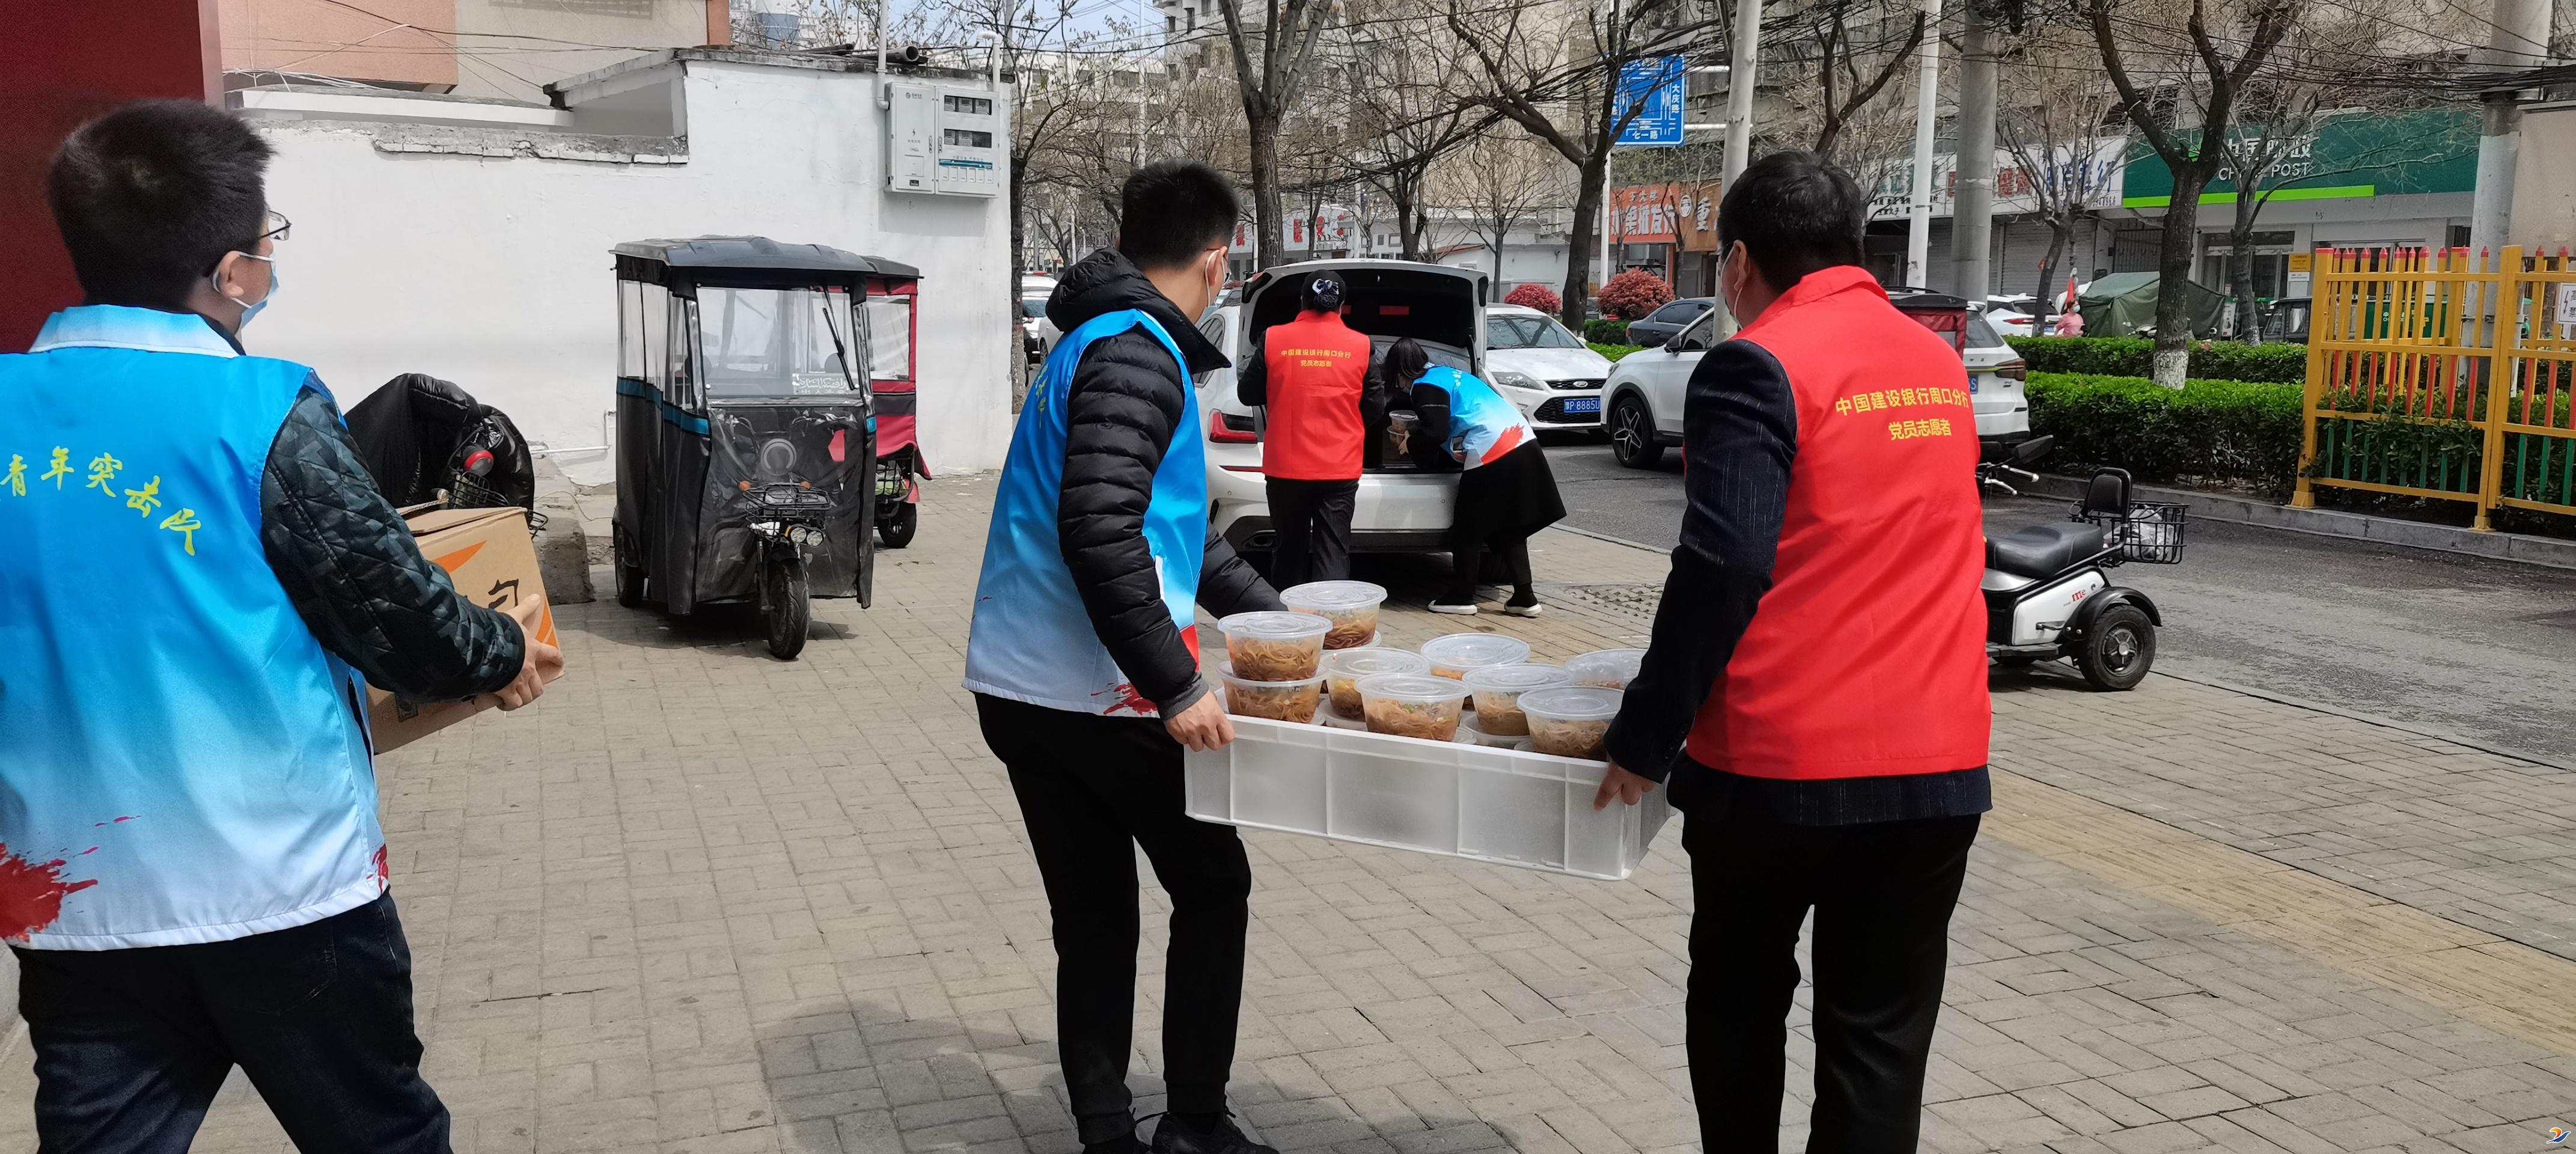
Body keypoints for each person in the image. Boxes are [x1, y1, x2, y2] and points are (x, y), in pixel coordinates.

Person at [0, 100, 562, 1151]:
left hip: (73, 900)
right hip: (285, 892)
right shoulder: (261, 410)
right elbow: (392, 613)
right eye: (269, 246)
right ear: (230, 274)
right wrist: (500, 652)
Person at [1587, 151, 1992, 1152]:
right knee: (1879, 1039)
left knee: (1738, 998)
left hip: (1779, 769)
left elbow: (1723, 566)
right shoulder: (1936, 365)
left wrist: (1644, 736)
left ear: (1737, 264)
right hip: (1936, 764)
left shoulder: (1756, 364)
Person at [962, 159, 1284, 1154]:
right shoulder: (1140, 353)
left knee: (1095, 916)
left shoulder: (1091, 340)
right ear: (1218, 261)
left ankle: (1106, 1133)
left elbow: (1172, 534)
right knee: (1214, 887)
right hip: (1101, 695)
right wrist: (1177, 684)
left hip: (1020, 686)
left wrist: (1282, 620)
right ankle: (1195, 1124)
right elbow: (1100, 531)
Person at [1379, 338, 1563, 615]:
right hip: (1522, 441)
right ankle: (1525, 598)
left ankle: (1462, 597)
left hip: (1494, 449)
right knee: (1509, 525)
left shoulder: (1424, 385)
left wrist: (1410, 442)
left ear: (1398, 371)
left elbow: (1436, 431)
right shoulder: (1449, 374)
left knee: (1468, 528)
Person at [1236, 275, 1376, 587]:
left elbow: (1247, 393)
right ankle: (1331, 617)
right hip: (1339, 467)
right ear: (1341, 306)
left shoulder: (1273, 338)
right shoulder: (1361, 345)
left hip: (1286, 467)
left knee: (1289, 548)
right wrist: (1345, 425)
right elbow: (1375, 406)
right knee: (1333, 550)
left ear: (1302, 302)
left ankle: (1286, 616)